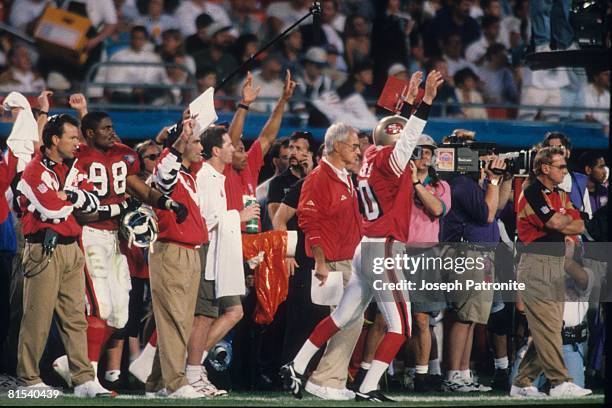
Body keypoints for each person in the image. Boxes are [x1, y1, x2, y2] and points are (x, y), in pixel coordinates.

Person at [281, 70, 443, 402]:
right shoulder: (386, 158)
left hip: (364, 249)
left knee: (343, 316)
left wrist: (408, 103)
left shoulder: (369, 157)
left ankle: (296, 367)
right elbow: (406, 136)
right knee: (402, 327)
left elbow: (390, 132)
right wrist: (424, 103)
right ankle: (368, 387)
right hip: (383, 249)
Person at [15, 114, 110, 397]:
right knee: (37, 317)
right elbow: (52, 210)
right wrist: (75, 198)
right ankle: (28, 379)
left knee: (75, 318)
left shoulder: (73, 167)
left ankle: (83, 380)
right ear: (55, 140)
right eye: (72, 138)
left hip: (72, 248)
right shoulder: (33, 171)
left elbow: (95, 200)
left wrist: (69, 195)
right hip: (44, 249)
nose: (77, 144)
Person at [511, 146, 591, 398]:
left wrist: (566, 223)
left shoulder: (560, 193)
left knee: (551, 327)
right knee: (548, 326)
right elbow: (556, 223)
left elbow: (579, 223)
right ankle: (559, 382)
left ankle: (522, 383)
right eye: (561, 167)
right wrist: (564, 222)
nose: (566, 171)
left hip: (555, 263)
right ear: (545, 168)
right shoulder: (532, 190)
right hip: (536, 262)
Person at [187, 126, 259, 397]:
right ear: (216, 150)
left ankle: (193, 368)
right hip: (206, 252)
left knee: (218, 314)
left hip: (219, 252)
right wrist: (238, 216)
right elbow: (203, 221)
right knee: (202, 317)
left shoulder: (215, 176)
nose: (233, 148)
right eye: (229, 144)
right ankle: (192, 373)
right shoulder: (205, 176)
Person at [296, 123, 363, 400]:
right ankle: (324, 380)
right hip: (335, 260)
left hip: (351, 258)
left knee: (351, 320)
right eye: (354, 146)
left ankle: (332, 380)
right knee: (347, 320)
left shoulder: (344, 175)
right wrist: (321, 261)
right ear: (336, 146)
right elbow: (309, 221)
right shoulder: (319, 178)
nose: (358, 151)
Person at [145, 119, 208, 399]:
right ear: (180, 144)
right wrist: (176, 142)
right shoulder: (165, 170)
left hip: (190, 251)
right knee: (174, 320)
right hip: (172, 250)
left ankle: (157, 383)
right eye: (195, 141)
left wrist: (187, 127)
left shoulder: (189, 173)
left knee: (179, 320)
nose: (201, 147)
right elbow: (164, 178)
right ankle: (176, 383)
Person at [405, 135, 451, 392]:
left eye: (428, 152)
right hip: (397, 251)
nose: (424, 156)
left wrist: (415, 184)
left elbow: (436, 210)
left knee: (423, 319)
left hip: (424, 254)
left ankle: (422, 376)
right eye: (419, 151)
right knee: (383, 319)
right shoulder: (397, 181)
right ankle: (372, 372)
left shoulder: (441, 185)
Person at [267, 132, 315, 222]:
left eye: (298, 148)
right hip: (291, 234)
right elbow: (276, 219)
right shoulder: (277, 183)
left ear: (310, 154)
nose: (293, 152)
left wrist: (309, 177)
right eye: (291, 147)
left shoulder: (319, 181)